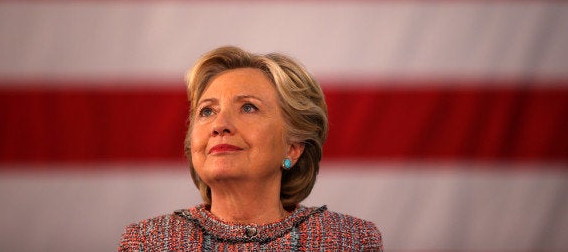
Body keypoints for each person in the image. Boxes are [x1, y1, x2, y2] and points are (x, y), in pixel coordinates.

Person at [119, 46, 383, 251]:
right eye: (207, 111)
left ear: (293, 147)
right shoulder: (147, 243)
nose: (219, 125)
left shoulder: (350, 241)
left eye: (248, 107)